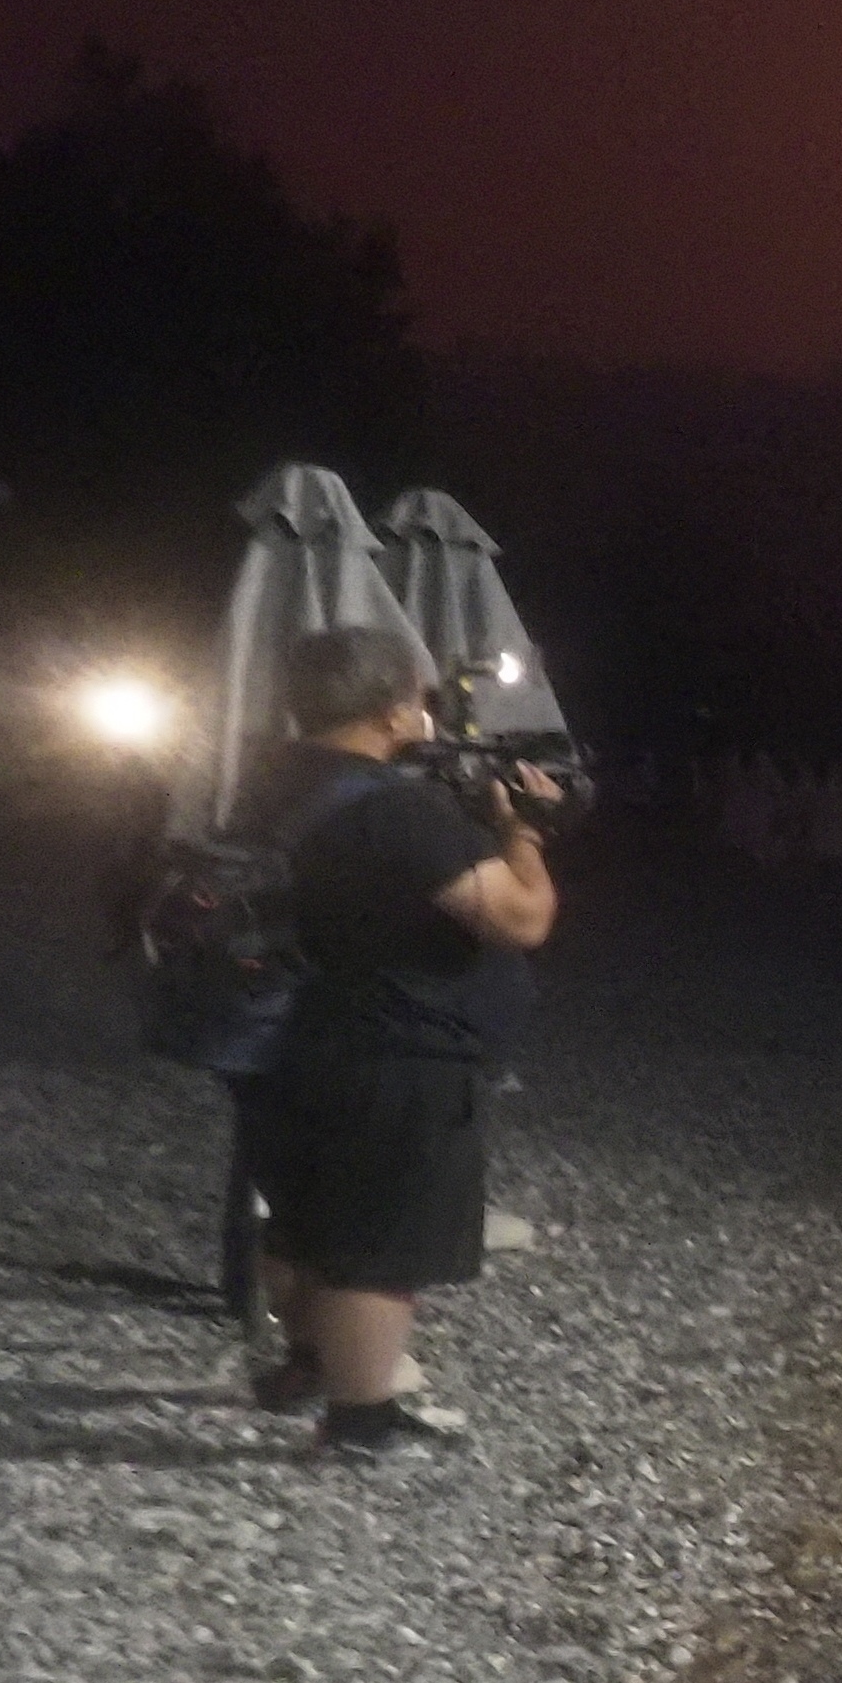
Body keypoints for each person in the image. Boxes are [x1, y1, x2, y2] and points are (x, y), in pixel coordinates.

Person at [245, 624, 562, 1460]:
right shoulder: (393, 812)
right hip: (396, 1044)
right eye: (419, 703)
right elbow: (519, 918)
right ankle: (360, 1421)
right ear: (394, 712)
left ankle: (304, 1364)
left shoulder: (268, 784)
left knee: (304, 1218)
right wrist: (525, 830)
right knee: (380, 1243)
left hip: (289, 1033)